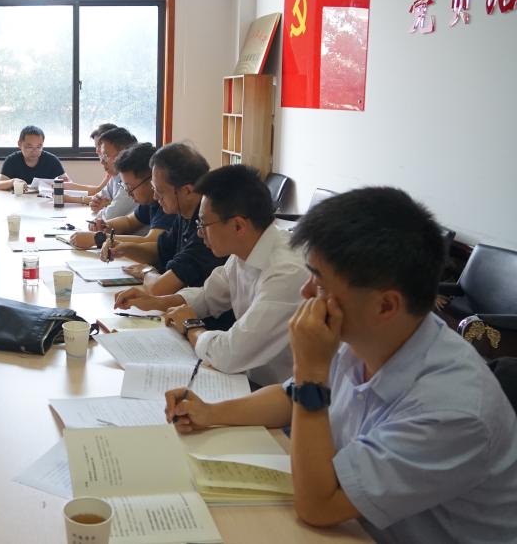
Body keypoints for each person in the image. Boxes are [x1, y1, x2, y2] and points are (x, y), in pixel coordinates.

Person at [165, 187, 517, 543]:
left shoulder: (453, 409)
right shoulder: (368, 337)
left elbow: (319, 506)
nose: (305, 293)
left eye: (319, 281)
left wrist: (310, 372)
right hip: (357, 526)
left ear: (386, 305)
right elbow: (289, 398)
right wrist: (211, 412)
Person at [117, 165, 308, 386]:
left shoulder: (286, 272)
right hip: (248, 379)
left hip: (282, 394)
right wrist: (155, 302)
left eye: (204, 224)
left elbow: (230, 354)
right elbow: (209, 296)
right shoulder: (245, 249)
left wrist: (191, 326)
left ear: (238, 226)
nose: (199, 233)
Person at [108, 142, 224, 295]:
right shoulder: (184, 214)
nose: (156, 197)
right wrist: (124, 248)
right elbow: (160, 251)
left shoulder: (206, 228)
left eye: (160, 191)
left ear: (187, 191)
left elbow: (160, 288)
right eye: (154, 189)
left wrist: (146, 271)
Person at [68, 142, 174, 250]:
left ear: (151, 179)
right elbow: (129, 221)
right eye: (125, 187)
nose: (128, 193)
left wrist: (99, 238)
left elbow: (152, 242)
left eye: (130, 187)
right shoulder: (150, 200)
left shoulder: (168, 203)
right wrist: (105, 225)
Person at [85, 127, 139, 222]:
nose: (102, 161)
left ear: (123, 155)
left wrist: (106, 206)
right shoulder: (116, 176)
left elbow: (109, 216)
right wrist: (102, 204)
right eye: (101, 155)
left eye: (106, 156)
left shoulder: (132, 181)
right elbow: (98, 199)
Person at [0, 125, 66, 191]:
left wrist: (56, 184)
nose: (34, 151)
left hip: (45, 199)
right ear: (19, 144)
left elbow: (69, 183)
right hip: (19, 199)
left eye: (39, 147)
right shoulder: (12, 160)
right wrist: (12, 181)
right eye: (29, 147)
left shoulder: (52, 160)